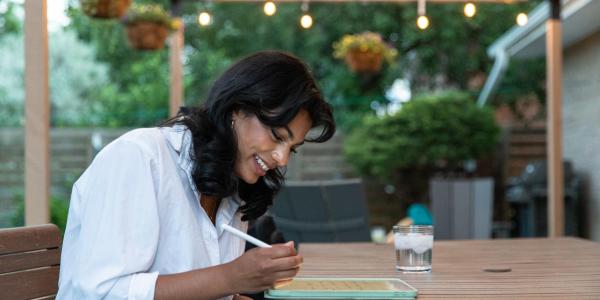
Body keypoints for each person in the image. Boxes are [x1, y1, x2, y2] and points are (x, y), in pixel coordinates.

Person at [57, 50, 336, 300]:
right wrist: (231, 277)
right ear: (237, 110)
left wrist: (234, 286)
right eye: (277, 136)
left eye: (292, 148)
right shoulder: (139, 158)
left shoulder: (232, 189)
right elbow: (99, 293)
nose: (282, 158)